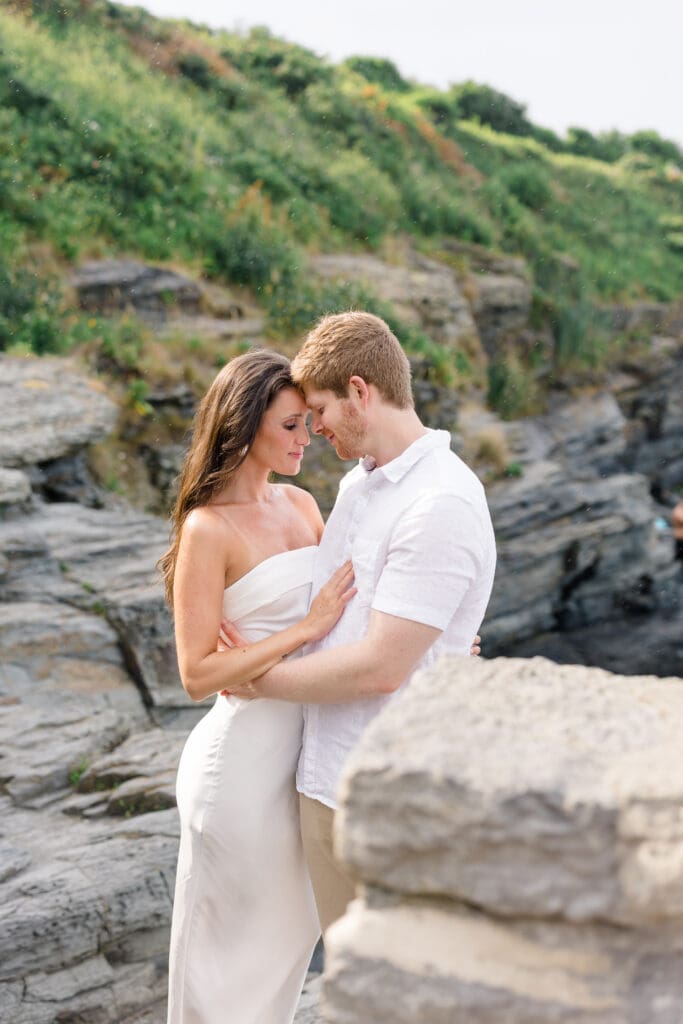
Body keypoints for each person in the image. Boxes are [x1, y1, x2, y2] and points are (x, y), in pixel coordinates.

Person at [221, 311, 497, 935]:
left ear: (359, 392)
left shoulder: (441, 501)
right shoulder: (355, 487)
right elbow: (343, 620)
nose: (313, 428)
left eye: (318, 409)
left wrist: (257, 679)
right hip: (322, 780)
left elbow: (381, 666)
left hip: (390, 795)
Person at [160, 350, 357, 1024]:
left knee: (286, 943)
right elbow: (196, 674)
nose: (307, 441)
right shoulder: (206, 528)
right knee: (226, 959)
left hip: (306, 762)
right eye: (292, 426)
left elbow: (351, 613)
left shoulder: (302, 504)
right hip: (240, 769)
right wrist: (300, 631)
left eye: (308, 425)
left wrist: (444, 642)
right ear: (244, 426)